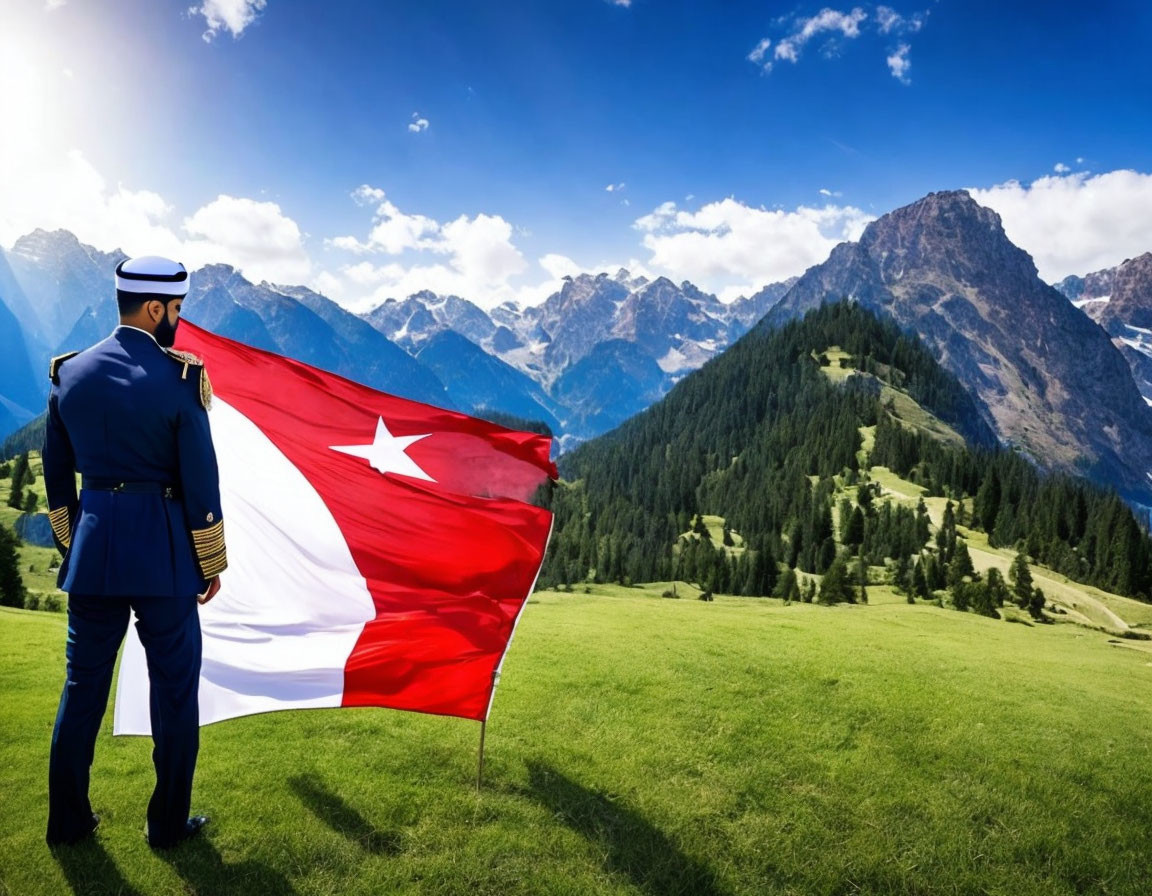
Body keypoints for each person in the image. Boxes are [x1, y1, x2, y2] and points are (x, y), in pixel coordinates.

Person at [42, 256, 228, 849]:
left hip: (94, 553)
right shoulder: (180, 379)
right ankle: (167, 826)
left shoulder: (68, 374)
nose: (178, 319)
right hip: (166, 559)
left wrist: (77, 548)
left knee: (81, 692)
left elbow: (55, 479)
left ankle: (68, 824)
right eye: (176, 309)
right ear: (155, 309)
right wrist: (210, 561)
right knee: (175, 695)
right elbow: (201, 482)